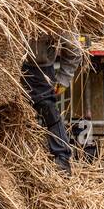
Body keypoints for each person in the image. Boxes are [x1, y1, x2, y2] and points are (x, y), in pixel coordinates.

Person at [23, 34, 83, 172]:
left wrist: (63, 78)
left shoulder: (55, 16)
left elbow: (74, 50)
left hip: (40, 68)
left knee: (47, 107)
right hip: (9, 66)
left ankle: (62, 156)